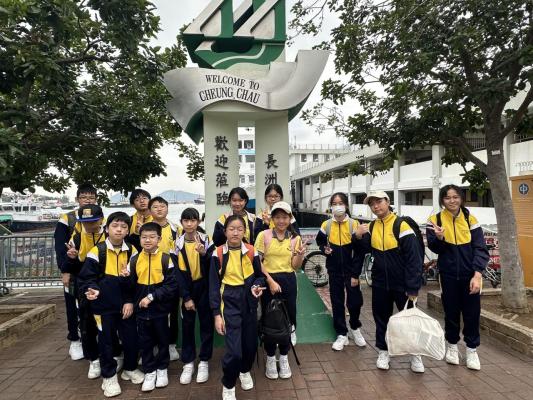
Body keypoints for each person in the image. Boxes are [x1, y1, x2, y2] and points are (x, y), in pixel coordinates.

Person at [355, 191, 424, 373]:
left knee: (409, 320)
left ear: (388, 202)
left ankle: (415, 354)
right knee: (381, 319)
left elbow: (414, 258)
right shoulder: (372, 226)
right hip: (380, 283)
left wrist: (413, 287)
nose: (376, 206)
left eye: (379, 201)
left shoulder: (402, 225)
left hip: (402, 284)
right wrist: (358, 236)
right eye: (372, 204)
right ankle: (383, 351)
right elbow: (364, 249)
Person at [78, 212, 144, 398]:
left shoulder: (132, 251)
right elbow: (86, 278)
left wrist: (129, 300)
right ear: (107, 228)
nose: (119, 230)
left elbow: (136, 281)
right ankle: (108, 376)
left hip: (125, 306)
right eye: (115, 226)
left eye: (124, 227)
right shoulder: (96, 251)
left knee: (131, 338)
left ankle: (130, 368)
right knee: (106, 341)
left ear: (128, 231)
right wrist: (92, 289)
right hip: (103, 306)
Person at [426, 184, 489, 371]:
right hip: (448, 275)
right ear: (442, 200)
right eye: (447, 197)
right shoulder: (435, 220)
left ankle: (471, 350)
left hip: (471, 275)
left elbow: (480, 249)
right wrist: (439, 238)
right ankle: (452, 346)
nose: (452, 201)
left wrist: (477, 274)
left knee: (472, 314)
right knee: (451, 312)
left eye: (455, 197)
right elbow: (435, 248)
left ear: (461, 198)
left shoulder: (471, 219)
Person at [209, 215, 265, 400]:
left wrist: (256, 286)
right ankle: (228, 384)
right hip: (229, 302)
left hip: (249, 301)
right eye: (231, 229)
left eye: (239, 229)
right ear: (225, 231)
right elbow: (213, 286)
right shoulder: (217, 253)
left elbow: (260, 276)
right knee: (234, 351)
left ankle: (245, 370)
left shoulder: (251, 251)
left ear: (244, 232)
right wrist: (217, 314)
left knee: (250, 345)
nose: (235, 232)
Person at [122, 222, 179, 392]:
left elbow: (171, 286)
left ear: (159, 239)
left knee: (163, 340)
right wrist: (125, 278)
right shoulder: (134, 260)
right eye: (144, 237)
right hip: (141, 311)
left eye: (152, 237)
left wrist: (152, 296)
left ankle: (162, 369)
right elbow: (130, 288)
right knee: (145, 342)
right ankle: (149, 371)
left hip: (161, 310)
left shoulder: (166, 259)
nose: (147, 240)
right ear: (139, 239)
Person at [255, 201, 306, 380]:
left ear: (290, 218)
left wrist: (300, 255)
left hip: (288, 281)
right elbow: (258, 262)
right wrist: (270, 281)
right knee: (270, 320)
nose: (281, 221)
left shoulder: (295, 238)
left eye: (284, 217)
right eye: (277, 217)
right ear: (272, 219)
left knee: (288, 319)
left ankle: (284, 356)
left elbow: (295, 266)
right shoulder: (263, 235)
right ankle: (270, 357)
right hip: (269, 280)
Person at [315, 192, 366, 351]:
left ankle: (355, 327)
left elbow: (360, 251)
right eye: (334, 203)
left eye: (340, 203)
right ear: (331, 206)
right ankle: (341, 333)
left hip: (351, 271)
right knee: (337, 302)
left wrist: (355, 274)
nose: (337, 206)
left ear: (346, 205)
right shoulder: (326, 225)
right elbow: (320, 241)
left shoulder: (354, 224)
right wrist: (324, 249)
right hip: (334, 269)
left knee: (355, 301)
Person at [54, 183, 98, 361]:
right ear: (77, 199)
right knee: (72, 305)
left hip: (94, 271)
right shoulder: (68, 219)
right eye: (84, 197)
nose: (87, 200)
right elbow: (60, 247)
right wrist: (64, 270)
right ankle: (74, 340)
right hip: (74, 270)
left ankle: (93, 339)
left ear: (96, 199)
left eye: (91, 197)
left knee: (93, 304)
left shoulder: (99, 217)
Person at [63, 204, 106, 380]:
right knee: (87, 324)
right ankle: (93, 359)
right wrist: (71, 258)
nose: (89, 225)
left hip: (106, 285)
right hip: (85, 287)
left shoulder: (109, 235)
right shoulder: (77, 239)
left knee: (110, 323)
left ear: (101, 220)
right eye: (85, 222)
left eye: (93, 221)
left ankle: (114, 354)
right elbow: (70, 267)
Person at [176, 208, 214, 385]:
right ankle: (188, 362)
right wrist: (186, 297)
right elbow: (177, 274)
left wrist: (204, 254)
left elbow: (213, 266)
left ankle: (204, 361)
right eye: (186, 220)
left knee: (206, 325)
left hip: (204, 288)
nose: (190, 224)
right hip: (187, 289)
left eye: (193, 220)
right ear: (182, 222)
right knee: (187, 326)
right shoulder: (177, 244)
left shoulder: (206, 240)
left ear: (198, 222)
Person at [148, 195, 182, 361]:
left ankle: (171, 345)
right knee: (151, 311)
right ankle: (153, 345)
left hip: (170, 276)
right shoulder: (146, 229)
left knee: (172, 311)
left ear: (167, 209)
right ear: (150, 210)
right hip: (150, 276)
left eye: (162, 206)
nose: (159, 209)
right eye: (155, 207)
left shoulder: (176, 229)